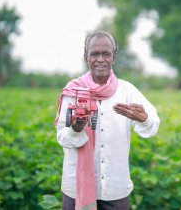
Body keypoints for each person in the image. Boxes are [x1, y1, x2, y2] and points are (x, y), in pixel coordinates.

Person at [55, 30, 160, 210]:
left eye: (106, 54)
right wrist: (75, 129)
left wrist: (145, 119)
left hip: (115, 189)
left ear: (114, 57)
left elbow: (153, 125)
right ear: (86, 57)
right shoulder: (73, 91)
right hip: (76, 189)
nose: (101, 59)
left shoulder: (127, 91)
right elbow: (62, 137)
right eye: (95, 54)